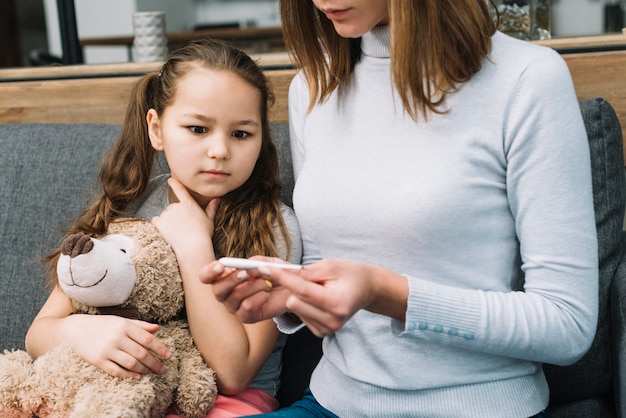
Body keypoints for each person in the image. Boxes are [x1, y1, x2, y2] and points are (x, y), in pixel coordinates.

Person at [193, 1, 599, 417]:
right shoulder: (314, 86)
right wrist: (292, 293)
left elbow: (566, 325)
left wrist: (387, 294)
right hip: (333, 404)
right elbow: (326, 263)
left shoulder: (526, 78)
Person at [24, 38, 302, 417]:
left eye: (241, 134)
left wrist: (194, 247)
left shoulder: (274, 226)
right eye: (197, 129)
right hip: (119, 394)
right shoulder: (130, 204)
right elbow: (37, 335)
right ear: (157, 128)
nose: (220, 149)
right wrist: (76, 332)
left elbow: (235, 372)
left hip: (225, 404)